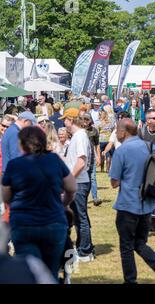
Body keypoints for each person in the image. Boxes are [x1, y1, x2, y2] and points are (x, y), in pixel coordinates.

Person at [2, 126, 77, 279]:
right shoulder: (54, 160)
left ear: (21, 144)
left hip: (24, 224)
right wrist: (63, 204)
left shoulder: (14, 165)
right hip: (53, 223)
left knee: (30, 272)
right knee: (51, 272)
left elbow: (6, 196)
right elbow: (71, 187)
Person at [109, 118, 155, 284]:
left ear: (124, 132)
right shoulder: (150, 146)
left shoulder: (122, 151)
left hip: (128, 205)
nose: (116, 133)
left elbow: (114, 182)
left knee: (126, 246)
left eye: (117, 130)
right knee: (140, 243)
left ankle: (130, 281)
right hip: (147, 205)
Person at [60, 108, 95, 262]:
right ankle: (84, 246)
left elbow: (81, 160)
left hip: (79, 182)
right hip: (77, 182)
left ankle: (85, 251)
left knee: (81, 218)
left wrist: (70, 178)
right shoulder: (76, 136)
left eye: (65, 119)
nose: (63, 122)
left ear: (71, 119)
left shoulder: (80, 136)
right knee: (78, 218)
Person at [81, 113, 102, 207]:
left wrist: (98, 156)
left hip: (92, 156)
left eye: (87, 119)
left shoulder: (94, 131)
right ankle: (83, 198)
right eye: (83, 119)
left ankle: (95, 198)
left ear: (90, 120)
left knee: (92, 177)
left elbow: (97, 144)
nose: (85, 121)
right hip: (82, 157)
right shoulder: (79, 130)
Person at [97, 109, 115, 173]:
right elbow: (113, 130)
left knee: (101, 154)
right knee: (108, 155)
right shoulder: (110, 123)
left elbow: (97, 132)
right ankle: (107, 169)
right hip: (108, 141)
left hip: (101, 141)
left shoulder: (99, 123)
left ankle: (102, 169)